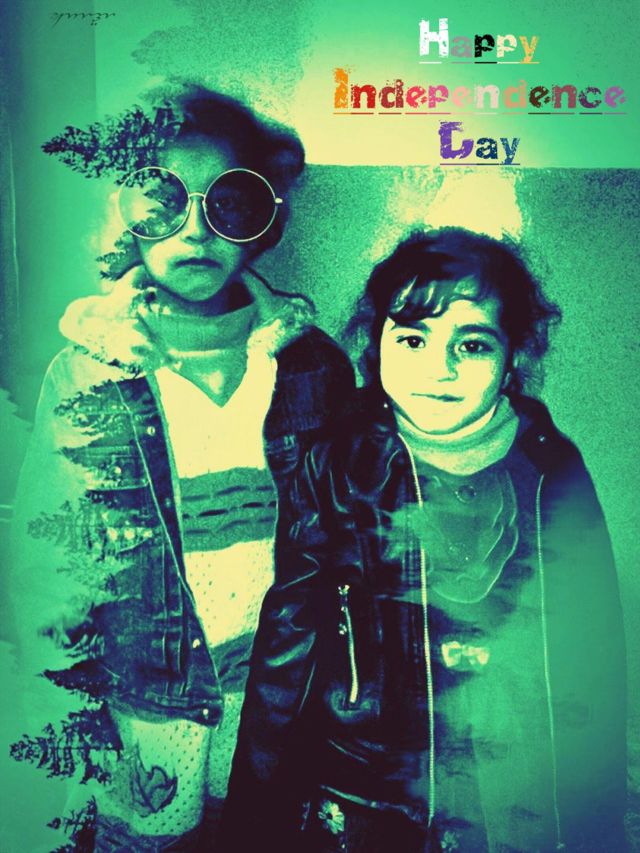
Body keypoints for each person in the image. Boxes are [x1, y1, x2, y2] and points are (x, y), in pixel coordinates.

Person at [10, 85, 354, 851]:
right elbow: (48, 570)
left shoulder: (313, 368)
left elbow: (346, 545)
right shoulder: (86, 374)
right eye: (162, 201)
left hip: (274, 702)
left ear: (264, 217)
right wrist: (66, 713)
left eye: (227, 203)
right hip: (142, 711)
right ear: (125, 215)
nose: (196, 229)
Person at [222, 228, 628, 852]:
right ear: (378, 342)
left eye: (472, 344)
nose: (439, 369)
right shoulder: (335, 464)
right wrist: (254, 822)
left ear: (513, 357)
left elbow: (592, 654)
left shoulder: (552, 470)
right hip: (367, 790)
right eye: (413, 339)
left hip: (517, 788)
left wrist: (596, 820)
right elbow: (288, 646)